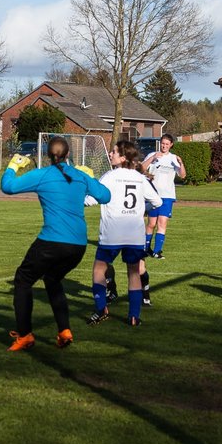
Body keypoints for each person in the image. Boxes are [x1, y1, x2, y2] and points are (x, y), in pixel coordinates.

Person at [1, 135, 111, 351]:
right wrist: (90, 178)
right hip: (78, 245)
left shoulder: (43, 175)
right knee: (52, 279)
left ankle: (24, 335)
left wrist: (13, 165)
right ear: (68, 154)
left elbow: (8, 187)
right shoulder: (79, 175)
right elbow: (105, 196)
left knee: (23, 281)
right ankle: (64, 330)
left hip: (52, 241)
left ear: (47, 155)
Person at [88, 140, 161, 327]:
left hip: (112, 233)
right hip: (134, 234)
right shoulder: (139, 178)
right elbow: (158, 202)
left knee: (99, 269)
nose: (110, 154)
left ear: (123, 157)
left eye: (114, 152)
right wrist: (141, 208)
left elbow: (90, 200)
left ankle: (101, 308)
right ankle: (134, 316)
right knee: (134, 273)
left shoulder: (110, 176)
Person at [142, 133, 185, 259]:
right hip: (153, 195)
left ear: (171, 145)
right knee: (151, 223)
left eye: (167, 144)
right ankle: (146, 248)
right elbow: (142, 168)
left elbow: (182, 175)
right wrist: (152, 158)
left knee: (162, 223)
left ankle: (157, 251)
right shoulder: (152, 155)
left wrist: (181, 163)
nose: (164, 146)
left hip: (167, 196)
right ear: (160, 143)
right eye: (162, 143)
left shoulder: (173, 158)